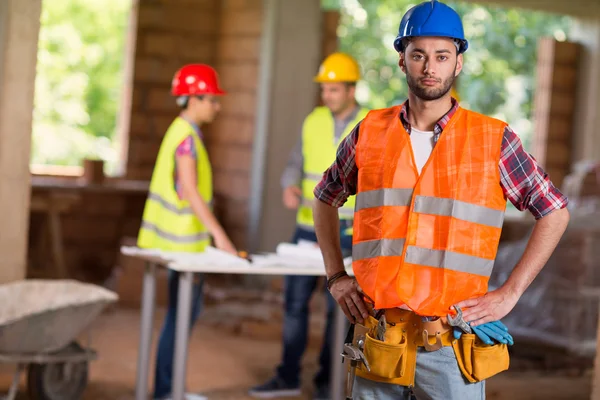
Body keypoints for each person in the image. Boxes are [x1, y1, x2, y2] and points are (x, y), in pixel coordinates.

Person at [312, 1, 571, 399]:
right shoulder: (369, 133)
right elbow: (325, 198)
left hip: (451, 343)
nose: (430, 67)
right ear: (402, 61)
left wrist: (511, 293)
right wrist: (336, 276)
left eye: (441, 56)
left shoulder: (492, 140)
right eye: (418, 55)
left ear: (458, 63)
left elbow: (554, 211)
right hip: (380, 336)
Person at [248, 52, 370, 400]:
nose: (326, 96)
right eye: (324, 89)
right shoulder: (313, 120)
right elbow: (295, 162)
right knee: (294, 305)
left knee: (340, 314)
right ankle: (287, 376)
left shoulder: (369, 123)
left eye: (333, 89)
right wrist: (289, 183)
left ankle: (326, 385)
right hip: (307, 228)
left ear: (351, 90)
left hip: (349, 232)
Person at [137, 64, 237, 400]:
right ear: (194, 98)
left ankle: (169, 389)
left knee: (180, 318)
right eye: (212, 99)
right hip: (183, 247)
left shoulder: (181, 132)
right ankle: (167, 391)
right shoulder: (186, 139)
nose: (217, 106)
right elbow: (191, 192)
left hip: (179, 244)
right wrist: (221, 238)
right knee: (180, 320)